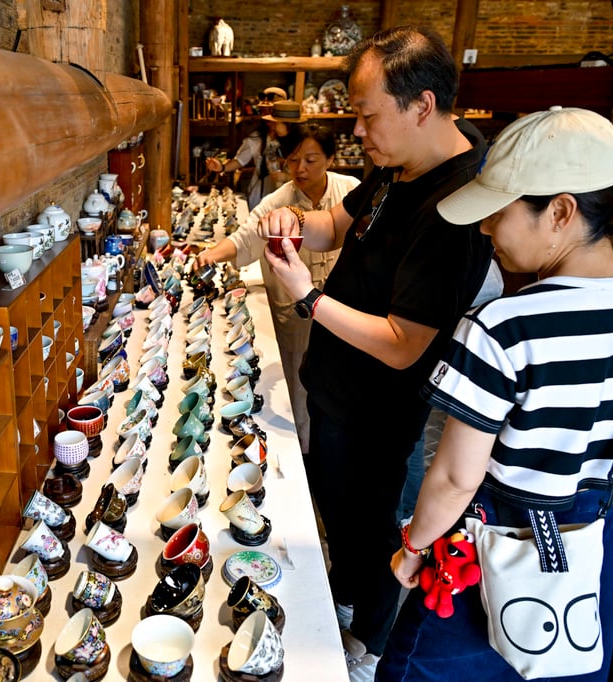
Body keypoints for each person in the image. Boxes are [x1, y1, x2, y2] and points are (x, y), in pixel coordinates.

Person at [378, 107, 613, 681]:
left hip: (488, 551)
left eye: (498, 214)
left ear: (559, 212)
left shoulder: (505, 324)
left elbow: (456, 477)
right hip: (594, 548)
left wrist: (414, 544)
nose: (485, 231)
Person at [259, 26, 495, 679]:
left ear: (421, 105)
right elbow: (339, 222)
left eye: (367, 116)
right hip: (337, 391)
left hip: (376, 411)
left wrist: (308, 299)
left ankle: (367, 646)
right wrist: (292, 226)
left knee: (373, 529)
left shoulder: (459, 204)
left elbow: (403, 345)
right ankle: (341, 604)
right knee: (340, 514)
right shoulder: (402, 162)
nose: (356, 132)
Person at [196, 122, 360, 455]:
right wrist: (210, 254)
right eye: (293, 160)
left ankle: (340, 451)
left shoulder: (351, 191)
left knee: (345, 383)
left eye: (311, 160)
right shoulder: (278, 201)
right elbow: (245, 238)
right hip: (296, 315)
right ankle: (305, 453)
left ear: (330, 158)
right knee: (300, 384)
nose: (300, 169)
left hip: (344, 311)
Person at [206, 91, 296, 209]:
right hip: (260, 196)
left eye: (271, 110)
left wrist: (285, 174)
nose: (267, 115)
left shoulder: (296, 140)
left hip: (288, 198)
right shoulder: (256, 138)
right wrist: (222, 167)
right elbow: (239, 161)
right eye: (264, 110)